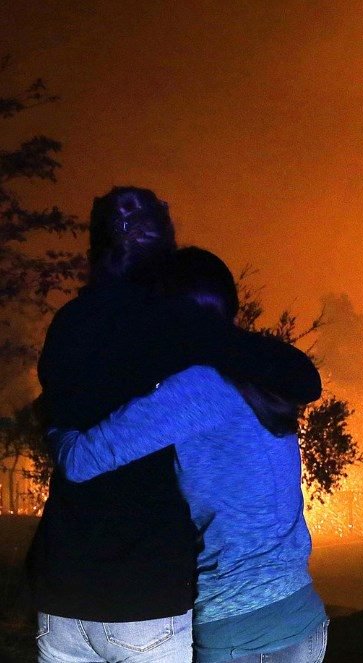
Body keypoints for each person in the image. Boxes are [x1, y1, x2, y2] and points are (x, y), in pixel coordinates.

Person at [29, 187, 321, 663]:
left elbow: (76, 448)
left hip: (63, 584)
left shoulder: (68, 324)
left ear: (96, 248)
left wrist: (51, 425)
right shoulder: (181, 335)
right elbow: (301, 378)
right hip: (155, 591)